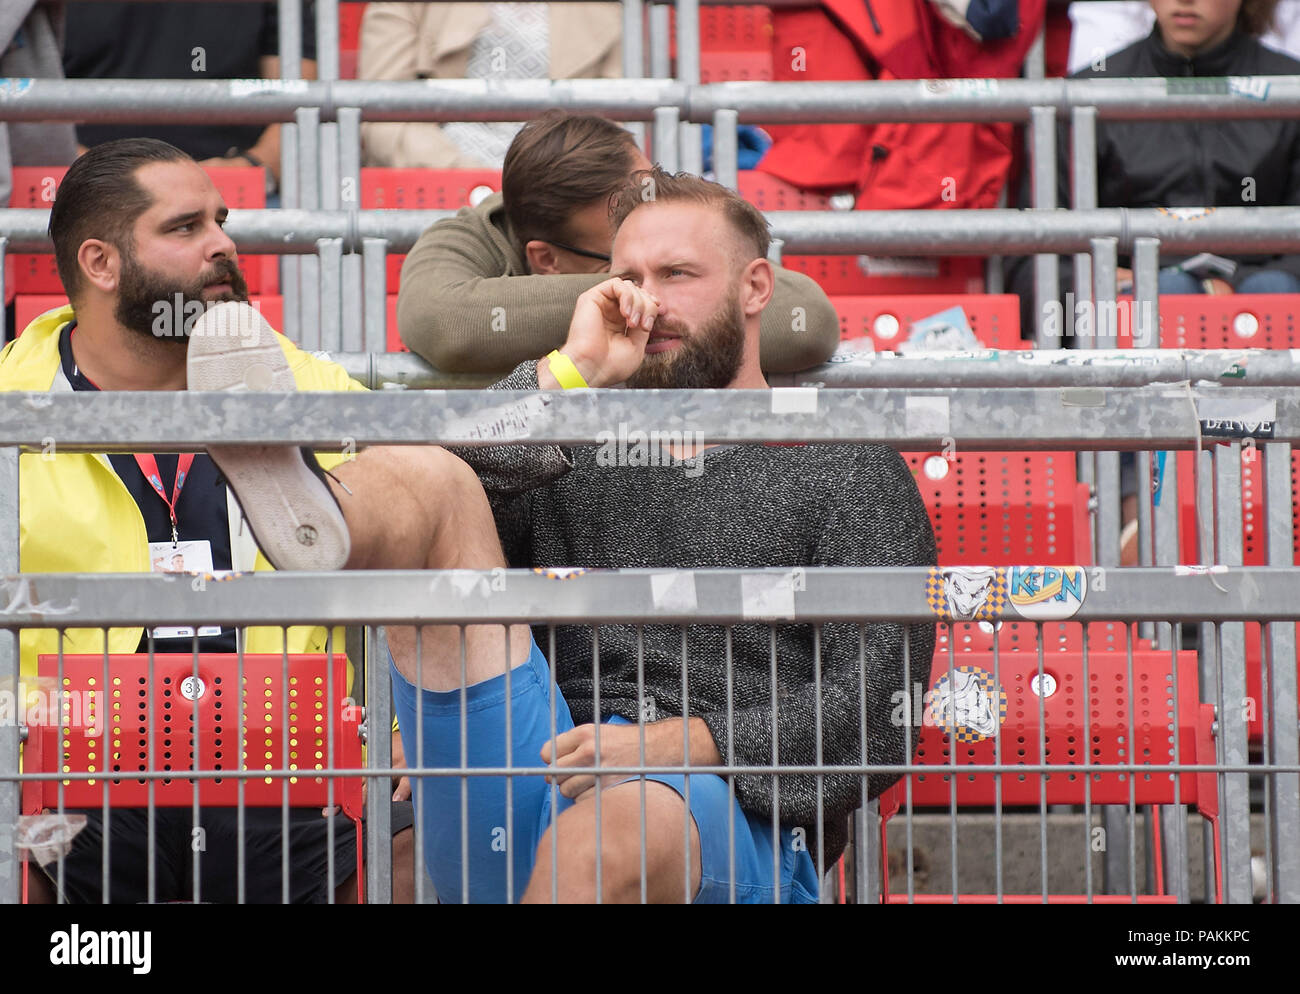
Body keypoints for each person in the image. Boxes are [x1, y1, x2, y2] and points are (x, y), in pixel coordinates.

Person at [386, 167, 939, 902]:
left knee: (603, 840)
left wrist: (672, 742)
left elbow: (875, 705)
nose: (647, 302)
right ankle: (319, 520)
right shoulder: (569, 444)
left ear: (756, 288)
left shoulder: (845, 461)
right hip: (540, 758)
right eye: (628, 278)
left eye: (677, 274)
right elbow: (442, 495)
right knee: (420, 476)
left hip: (731, 808)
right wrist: (570, 372)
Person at [2, 138, 414, 903]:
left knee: (421, 828)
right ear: (101, 263)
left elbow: (439, 497)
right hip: (69, 773)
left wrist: (398, 719)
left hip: (286, 772)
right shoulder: (10, 405)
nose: (224, 243)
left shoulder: (302, 385)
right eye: (186, 227)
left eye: (222, 221)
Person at [395, 111, 841, 375]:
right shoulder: (473, 237)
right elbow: (445, 321)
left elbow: (806, 322)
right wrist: (630, 296)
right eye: (624, 264)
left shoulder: (675, 213)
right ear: (546, 260)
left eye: (675, 270)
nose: (656, 226)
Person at [1008, 0, 1300, 327]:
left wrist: (1234, 285)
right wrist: (1100, 281)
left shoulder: (1292, 88)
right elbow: (1032, 258)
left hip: (1263, 319)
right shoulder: (1087, 94)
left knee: (1273, 289)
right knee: (1167, 293)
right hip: (1130, 330)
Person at [61, 2, 317, 200]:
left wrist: (253, 168)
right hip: (91, 187)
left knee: (286, 235)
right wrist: (98, 174)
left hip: (235, 190)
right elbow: (29, 100)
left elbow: (298, 103)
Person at [358, 2, 621, 169]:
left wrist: (556, 178)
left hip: (559, 178)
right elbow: (382, 114)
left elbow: (618, 121)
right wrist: (467, 174)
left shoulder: (608, 11)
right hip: (442, 171)